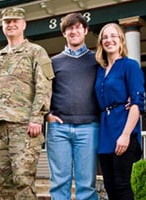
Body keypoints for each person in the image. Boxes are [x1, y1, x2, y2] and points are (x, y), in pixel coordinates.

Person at [0, 7, 54, 200]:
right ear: (2, 26)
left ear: (24, 24)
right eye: (7, 22)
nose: (11, 24)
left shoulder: (36, 52)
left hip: (24, 127)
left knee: (23, 182)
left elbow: (44, 86)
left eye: (15, 21)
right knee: (3, 183)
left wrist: (37, 117)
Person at [46, 13, 100, 200]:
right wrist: (47, 115)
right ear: (64, 33)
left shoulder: (97, 60)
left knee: (87, 184)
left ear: (85, 31)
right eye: (70, 28)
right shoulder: (54, 62)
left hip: (89, 127)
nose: (74, 31)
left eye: (78, 27)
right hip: (59, 128)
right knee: (59, 183)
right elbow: (44, 92)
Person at [95, 23, 145, 200]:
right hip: (105, 131)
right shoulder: (99, 70)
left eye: (113, 36)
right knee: (110, 186)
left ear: (121, 39)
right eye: (105, 37)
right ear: (101, 42)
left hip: (124, 128)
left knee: (122, 185)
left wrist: (126, 134)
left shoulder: (130, 66)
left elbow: (137, 103)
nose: (109, 40)